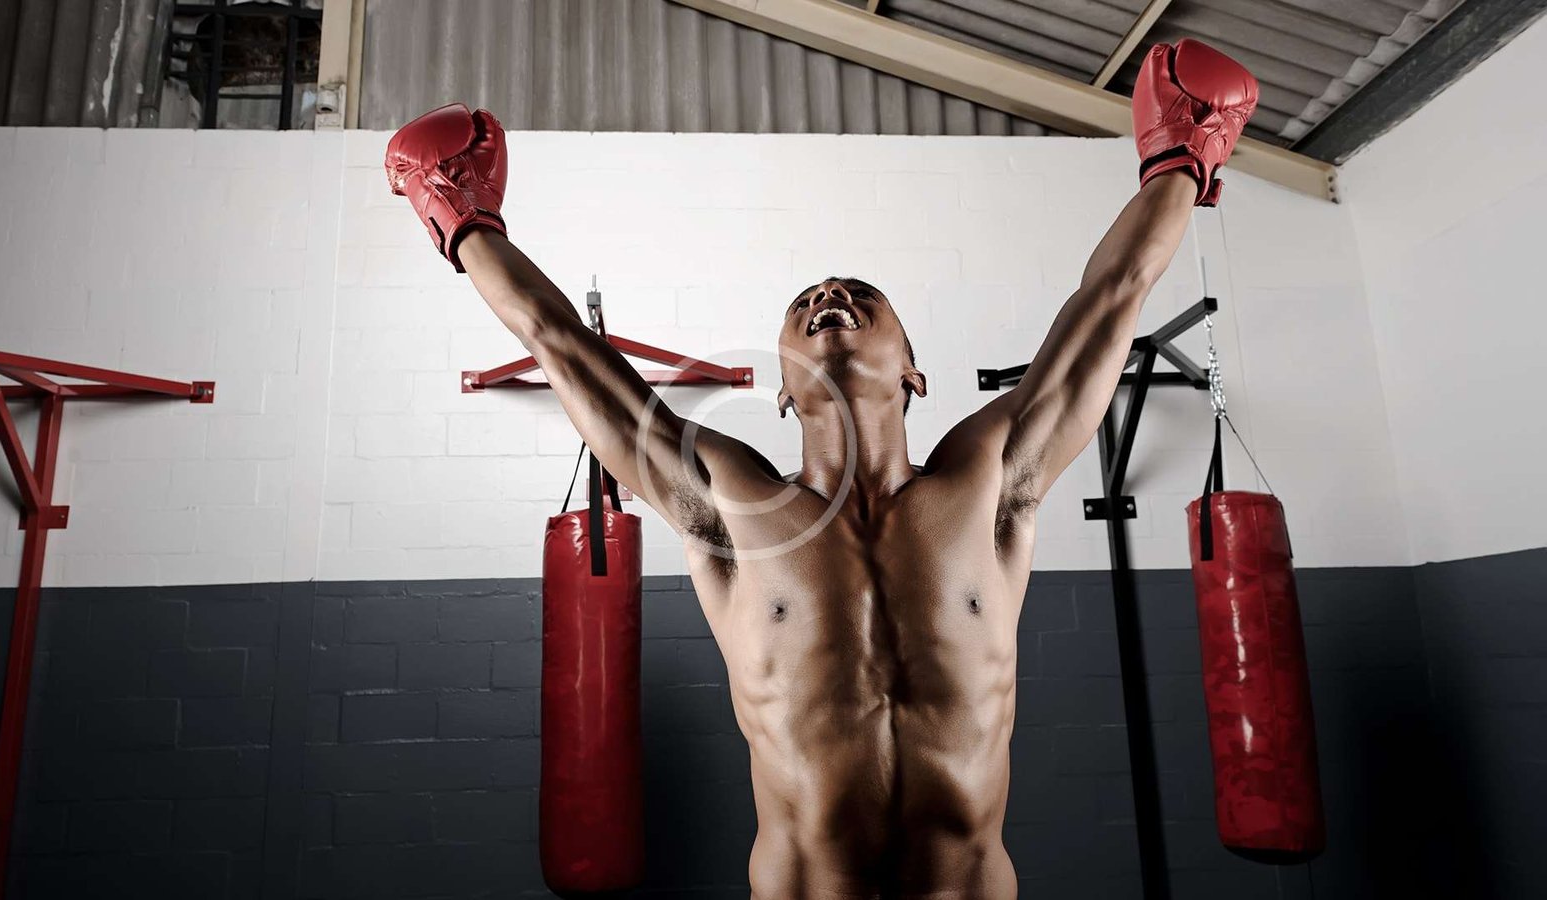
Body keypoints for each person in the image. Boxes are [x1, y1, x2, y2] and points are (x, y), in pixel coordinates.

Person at [385, 38, 1256, 899]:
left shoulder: (987, 481)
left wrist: (1179, 161)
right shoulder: (732, 503)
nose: (829, 298)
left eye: (857, 296)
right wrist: (464, 221)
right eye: (805, 303)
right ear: (781, 392)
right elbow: (562, 344)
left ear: (914, 373)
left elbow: (1111, 296)